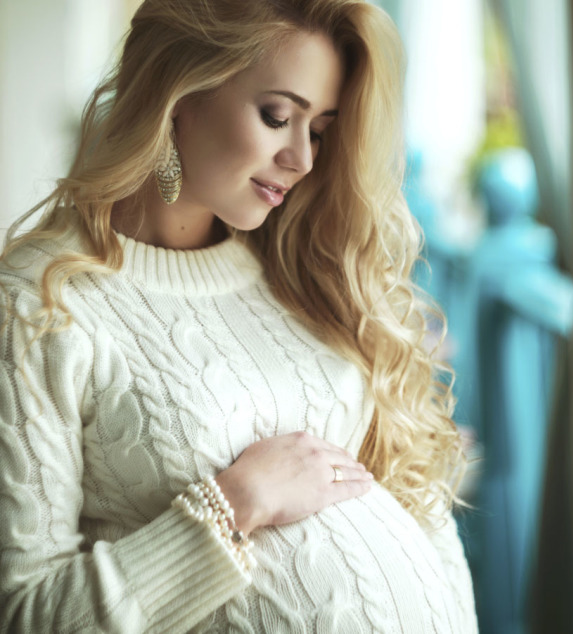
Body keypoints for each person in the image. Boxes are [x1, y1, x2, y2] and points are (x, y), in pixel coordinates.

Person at [0, 0, 477, 631]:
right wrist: (233, 505)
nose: (303, 159)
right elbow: (24, 614)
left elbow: (420, 516)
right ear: (179, 93)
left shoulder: (301, 271)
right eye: (278, 116)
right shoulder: (41, 301)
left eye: (320, 130)